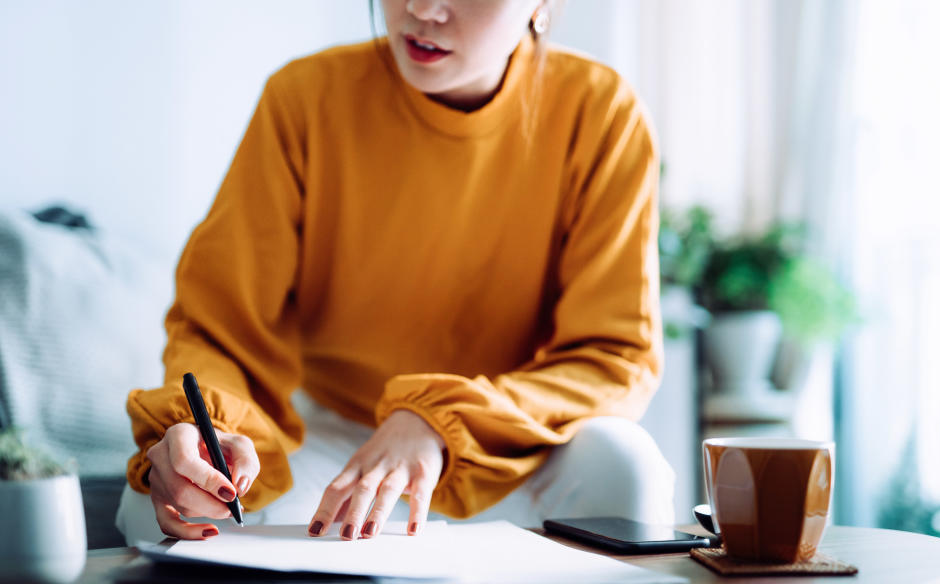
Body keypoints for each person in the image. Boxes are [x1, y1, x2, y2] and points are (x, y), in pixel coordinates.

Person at [115, 0, 675, 545]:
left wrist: (438, 421)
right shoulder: (305, 99)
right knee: (159, 505)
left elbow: (611, 355)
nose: (424, 9)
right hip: (331, 443)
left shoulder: (602, 113)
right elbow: (218, 325)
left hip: (506, 444)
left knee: (628, 471)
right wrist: (212, 436)